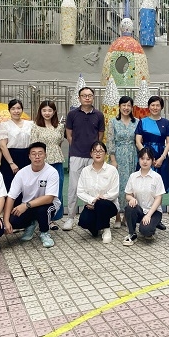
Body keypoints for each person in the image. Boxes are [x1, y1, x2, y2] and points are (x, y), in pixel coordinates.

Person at [3, 142, 60, 248]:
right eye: (33, 154)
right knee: (13, 221)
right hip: (28, 206)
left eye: (40, 153)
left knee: (43, 210)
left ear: (45, 155)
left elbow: (49, 198)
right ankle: (31, 224)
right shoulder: (22, 173)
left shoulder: (52, 172)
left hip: (47, 205)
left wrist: (26, 205)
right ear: (29, 156)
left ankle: (45, 233)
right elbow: (11, 197)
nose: (37, 156)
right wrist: (6, 221)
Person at [64, 87, 105, 231]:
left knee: (94, 186)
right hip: (76, 155)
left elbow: (100, 135)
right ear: (79, 98)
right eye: (84, 95)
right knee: (73, 187)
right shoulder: (72, 114)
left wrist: (94, 151)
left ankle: (95, 215)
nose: (87, 98)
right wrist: (76, 146)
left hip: (93, 156)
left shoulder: (99, 115)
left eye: (89, 95)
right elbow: (69, 134)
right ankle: (70, 217)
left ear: (93, 97)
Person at [77, 141, 120, 243]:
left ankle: (106, 229)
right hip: (91, 205)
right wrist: (92, 200)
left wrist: (98, 202)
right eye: (95, 151)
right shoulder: (85, 171)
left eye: (101, 151)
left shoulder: (112, 170)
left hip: (109, 205)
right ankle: (97, 227)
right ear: (91, 154)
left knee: (101, 204)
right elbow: (80, 191)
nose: (98, 153)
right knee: (83, 221)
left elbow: (115, 192)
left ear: (105, 154)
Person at [31, 100, 65, 228]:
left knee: (57, 189)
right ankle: (39, 218)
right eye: (44, 110)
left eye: (50, 110)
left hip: (56, 160)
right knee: (42, 190)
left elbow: (60, 142)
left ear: (54, 112)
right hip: (42, 162)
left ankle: (53, 217)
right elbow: (33, 145)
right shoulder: (35, 126)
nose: (47, 113)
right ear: (40, 111)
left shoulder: (59, 126)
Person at [123, 148, 166, 246]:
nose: (145, 161)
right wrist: (131, 199)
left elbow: (158, 199)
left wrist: (149, 215)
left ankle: (153, 226)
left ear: (153, 160)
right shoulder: (133, 176)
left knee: (146, 231)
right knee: (129, 208)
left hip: (154, 212)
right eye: (142, 158)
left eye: (148, 159)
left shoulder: (157, 177)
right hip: (139, 210)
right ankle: (132, 234)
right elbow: (128, 195)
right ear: (139, 159)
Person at [107, 96, 139, 229]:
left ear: (132, 107)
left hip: (132, 156)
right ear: (119, 107)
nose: (126, 108)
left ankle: (127, 215)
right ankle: (117, 217)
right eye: (124, 105)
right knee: (117, 186)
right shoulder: (113, 122)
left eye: (129, 105)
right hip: (118, 156)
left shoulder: (137, 122)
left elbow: (138, 140)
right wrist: (113, 160)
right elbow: (110, 141)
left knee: (130, 185)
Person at [135, 95, 169, 192]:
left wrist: (162, 158)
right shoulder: (142, 122)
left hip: (161, 155)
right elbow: (138, 141)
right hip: (145, 155)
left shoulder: (166, 123)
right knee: (143, 184)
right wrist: (147, 157)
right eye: (152, 105)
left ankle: (159, 202)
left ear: (161, 107)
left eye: (157, 105)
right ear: (149, 106)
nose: (155, 108)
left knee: (161, 186)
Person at [0, 99, 34, 191]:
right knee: (10, 186)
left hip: (27, 156)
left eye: (18, 108)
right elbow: (3, 146)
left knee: (27, 185)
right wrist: (11, 163)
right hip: (10, 157)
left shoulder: (30, 124)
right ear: (9, 110)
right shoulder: (4, 125)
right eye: (13, 108)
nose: (16, 111)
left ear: (22, 109)